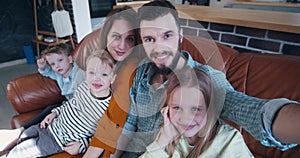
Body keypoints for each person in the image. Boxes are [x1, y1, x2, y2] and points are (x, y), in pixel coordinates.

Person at [116, 0, 299, 157]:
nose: (159, 48)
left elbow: (250, 111)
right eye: (149, 39)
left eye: (167, 36)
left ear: (180, 36)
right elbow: (130, 126)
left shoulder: (207, 80)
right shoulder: (142, 73)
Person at [4, 50, 116, 158]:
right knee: (23, 137)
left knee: (19, 153)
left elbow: (102, 136)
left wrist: (82, 145)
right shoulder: (84, 86)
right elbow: (70, 104)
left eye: (104, 75)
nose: (96, 78)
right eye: (91, 73)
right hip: (50, 126)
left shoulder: (110, 108)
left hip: (57, 140)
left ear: (113, 78)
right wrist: (54, 113)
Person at [140, 66, 253, 157]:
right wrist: (162, 142)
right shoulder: (168, 133)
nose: (185, 119)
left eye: (195, 109)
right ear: (167, 109)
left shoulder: (230, 140)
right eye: (177, 108)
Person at [0, 43, 86, 152]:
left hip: (76, 105)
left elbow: (83, 97)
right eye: (53, 64)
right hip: (67, 103)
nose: (57, 66)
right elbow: (47, 73)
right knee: (50, 109)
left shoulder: (78, 74)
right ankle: (22, 129)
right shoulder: (59, 74)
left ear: (69, 59)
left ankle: (27, 135)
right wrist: (42, 67)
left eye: (60, 60)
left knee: (54, 111)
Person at [83, 6, 143, 158]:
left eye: (129, 39)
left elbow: (113, 118)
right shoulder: (102, 59)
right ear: (106, 36)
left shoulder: (130, 67)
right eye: (116, 36)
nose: (122, 46)